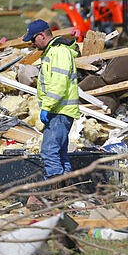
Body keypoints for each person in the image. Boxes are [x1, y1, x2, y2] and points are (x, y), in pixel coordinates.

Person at [22, 19, 80, 180]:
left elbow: (58, 84)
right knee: (60, 154)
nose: (32, 44)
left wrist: (47, 106)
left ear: (41, 36)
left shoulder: (58, 52)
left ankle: (56, 192)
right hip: (58, 111)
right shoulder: (52, 52)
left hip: (59, 111)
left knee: (49, 152)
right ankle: (67, 189)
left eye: (32, 40)